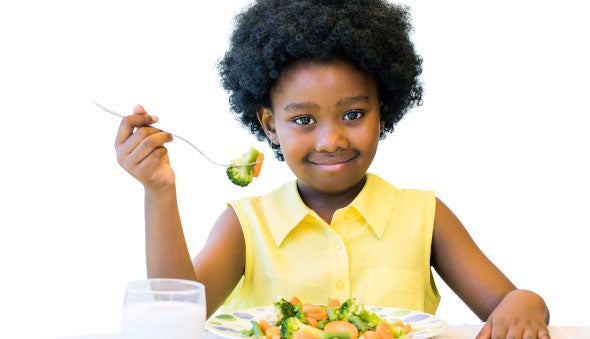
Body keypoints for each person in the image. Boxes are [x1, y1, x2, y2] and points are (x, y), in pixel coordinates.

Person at [114, 0, 550, 338]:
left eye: (354, 114)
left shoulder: (424, 215)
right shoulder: (247, 225)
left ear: (383, 111)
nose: (331, 140)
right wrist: (159, 191)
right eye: (303, 120)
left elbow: (508, 304)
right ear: (270, 125)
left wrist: (527, 302)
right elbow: (177, 313)